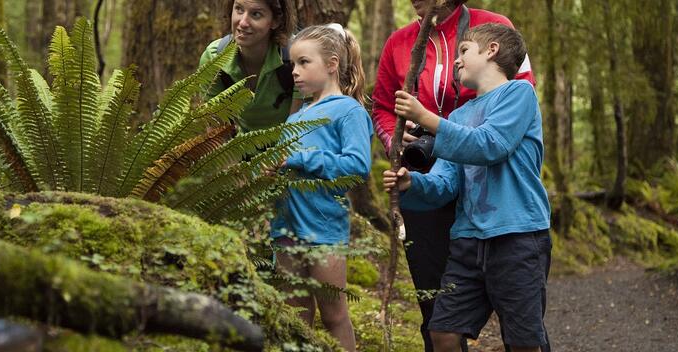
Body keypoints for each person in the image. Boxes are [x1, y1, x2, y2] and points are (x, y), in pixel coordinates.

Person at [370, 2, 535, 350]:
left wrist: (429, 119)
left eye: (465, 51)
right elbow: (384, 107)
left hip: (512, 222)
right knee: (440, 321)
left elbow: (495, 139)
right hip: (456, 210)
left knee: (521, 332)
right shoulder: (400, 44)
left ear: (490, 51)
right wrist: (405, 167)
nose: (458, 59)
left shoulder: (503, 48)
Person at [270, 23, 372, 352]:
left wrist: (303, 159)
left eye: (303, 63)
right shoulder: (296, 116)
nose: (295, 72)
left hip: (324, 228)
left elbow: (357, 166)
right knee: (294, 316)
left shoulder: (349, 111)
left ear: (331, 64)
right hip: (285, 228)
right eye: (292, 64)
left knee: (333, 315)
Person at [199, 0, 301, 133]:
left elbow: (298, 127)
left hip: (291, 148)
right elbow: (216, 134)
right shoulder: (214, 59)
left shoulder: (297, 57)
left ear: (276, 20)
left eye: (256, 14)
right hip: (243, 148)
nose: (242, 23)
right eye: (239, 9)